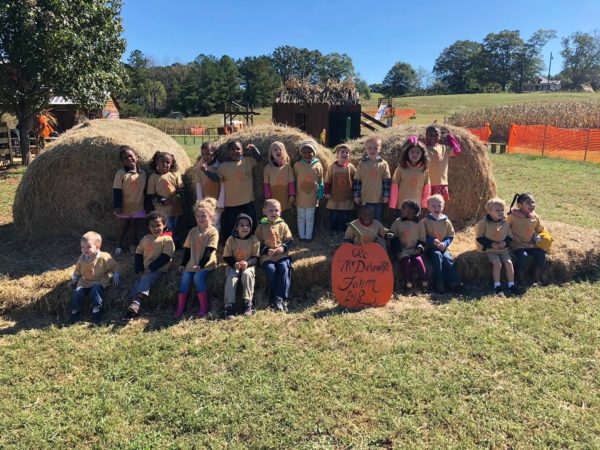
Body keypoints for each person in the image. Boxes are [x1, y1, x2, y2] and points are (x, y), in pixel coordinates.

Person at [202, 140, 261, 239]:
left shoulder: (247, 161)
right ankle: (229, 243)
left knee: (252, 221)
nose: (235, 151)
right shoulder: (224, 166)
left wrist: (254, 149)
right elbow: (216, 178)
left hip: (247, 200)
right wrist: (206, 171)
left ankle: (251, 241)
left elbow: (259, 159)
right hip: (231, 203)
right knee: (230, 225)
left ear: (242, 151)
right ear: (228, 152)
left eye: (238, 149)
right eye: (232, 149)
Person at [126, 211, 175, 318]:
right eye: (152, 226)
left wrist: (152, 268)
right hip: (145, 268)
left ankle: (137, 301)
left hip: (159, 268)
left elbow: (166, 256)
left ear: (164, 225)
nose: (155, 228)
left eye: (158, 225)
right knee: (138, 282)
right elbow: (138, 252)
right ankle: (132, 308)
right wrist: (139, 269)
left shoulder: (167, 239)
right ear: (148, 226)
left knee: (146, 278)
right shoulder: (146, 238)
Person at [175, 198, 219, 319]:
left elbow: (209, 251)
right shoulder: (192, 231)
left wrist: (201, 264)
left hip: (207, 264)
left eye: (203, 216)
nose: (200, 219)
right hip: (192, 263)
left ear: (210, 216)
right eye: (198, 216)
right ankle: (181, 307)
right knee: (185, 278)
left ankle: (204, 307)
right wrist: (183, 263)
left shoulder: (213, 232)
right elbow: (188, 250)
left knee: (197, 277)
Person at [68, 231, 120, 324]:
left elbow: (115, 266)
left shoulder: (104, 257)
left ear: (98, 246)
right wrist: (74, 280)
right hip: (84, 281)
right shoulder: (82, 258)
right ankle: (76, 311)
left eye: (88, 247)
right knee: (77, 293)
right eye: (82, 247)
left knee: (95, 291)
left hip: (99, 281)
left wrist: (116, 276)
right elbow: (77, 270)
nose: (85, 250)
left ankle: (97, 310)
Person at [255, 199, 294, 312]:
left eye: (276, 210)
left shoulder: (283, 224)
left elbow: (290, 240)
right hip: (267, 256)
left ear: (280, 212)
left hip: (281, 255)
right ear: (264, 212)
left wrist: (282, 248)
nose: (273, 213)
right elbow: (256, 243)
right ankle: (276, 297)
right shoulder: (261, 226)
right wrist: (266, 250)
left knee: (284, 268)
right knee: (271, 270)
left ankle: (282, 298)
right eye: (270, 210)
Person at [475, 198, 519, 297]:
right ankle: (497, 286)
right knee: (497, 263)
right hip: (490, 250)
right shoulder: (483, 223)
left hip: (503, 250)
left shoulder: (505, 223)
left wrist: (505, 243)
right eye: (497, 210)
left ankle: (511, 284)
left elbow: (509, 236)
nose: (500, 212)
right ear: (489, 211)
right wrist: (491, 244)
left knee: (509, 263)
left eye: (502, 210)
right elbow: (479, 238)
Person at [222, 213, 260, 319]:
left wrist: (247, 263)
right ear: (237, 227)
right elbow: (226, 256)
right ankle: (229, 306)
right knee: (232, 277)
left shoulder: (254, 240)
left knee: (247, 275)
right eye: (242, 225)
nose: (245, 227)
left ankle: (248, 303)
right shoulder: (231, 240)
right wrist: (234, 263)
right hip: (234, 265)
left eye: (248, 225)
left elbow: (256, 258)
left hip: (248, 265)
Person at [421, 194, 461, 294]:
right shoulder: (425, 221)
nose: (437, 208)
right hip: (430, 248)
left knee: (448, 259)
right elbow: (421, 235)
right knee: (437, 256)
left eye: (439, 205)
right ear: (428, 207)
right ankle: (439, 283)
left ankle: (453, 282)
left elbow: (450, 235)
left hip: (442, 247)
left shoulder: (446, 221)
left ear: (443, 206)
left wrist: (445, 243)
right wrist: (431, 241)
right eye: (434, 206)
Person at [113, 145, 147, 255]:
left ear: (137, 157)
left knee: (134, 227)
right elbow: (117, 190)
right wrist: (117, 206)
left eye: (130, 156)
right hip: (124, 206)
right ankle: (118, 244)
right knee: (122, 227)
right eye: (125, 158)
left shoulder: (143, 173)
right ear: (122, 161)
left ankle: (133, 245)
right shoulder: (121, 173)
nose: (129, 159)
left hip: (138, 206)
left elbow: (145, 190)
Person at [507, 192, 547, 285]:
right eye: (528, 203)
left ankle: (537, 277)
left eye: (533, 202)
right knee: (523, 256)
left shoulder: (535, 217)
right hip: (517, 245)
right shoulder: (513, 217)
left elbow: (539, 229)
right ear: (520, 205)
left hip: (530, 244)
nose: (532, 205)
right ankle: (520, 278)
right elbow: (505, 228)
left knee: (541, 254)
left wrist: (538, 236)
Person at [147, 151, 184, 246]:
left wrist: (176, 197)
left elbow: (181, 190)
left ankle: (176, 243)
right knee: (167, 227)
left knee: (176, 226)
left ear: (171, 164)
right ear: (156, 162)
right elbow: (151, 194)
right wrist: (163, 201)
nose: (165, 164)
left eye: (168, 162)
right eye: (162, 161)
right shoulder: (153, 178)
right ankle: (167, 244)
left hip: (175, 208)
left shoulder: (175, 175)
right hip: (162, 209)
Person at [390, 200, 427, 292]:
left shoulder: (420, 224)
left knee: (419, 261)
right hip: (402, 250)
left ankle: (424, 282)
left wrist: (419, 248)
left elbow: (422, 239)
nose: (401, 210)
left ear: (412, 211)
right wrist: (397, 250)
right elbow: (393, 235)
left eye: (403, 208)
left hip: (414, 249)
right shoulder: (398, 222)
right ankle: (408, 284)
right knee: (406, 262)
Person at [352, 137, 391, 222]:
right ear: (365, 149)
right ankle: (364, 234)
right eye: (369, 148)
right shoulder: (362, 164)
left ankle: (376, 234)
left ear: (380, 149)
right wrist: (356, 196)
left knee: (377, 218)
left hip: (378, 199)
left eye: (375, 148)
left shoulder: (383, 164)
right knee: (363, 218)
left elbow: (386, 181)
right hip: (364, 198)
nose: (372, 150)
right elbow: (357, 181)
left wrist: (385, 195)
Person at [389, 137, 430, 215]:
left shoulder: (424, 170)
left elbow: (427, 189)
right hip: (401, 206)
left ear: (422, 154)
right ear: (407, 153)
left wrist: (424, 205)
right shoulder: (400, 168)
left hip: (416, 207)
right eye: (412, 152)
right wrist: (392, 204)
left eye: (418, 152)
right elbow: (394, 187)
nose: (415, 154)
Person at [293, 139, 323, 241]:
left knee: (310, 217)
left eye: (309, 152)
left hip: (312, 197)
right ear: (301, 153)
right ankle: (301, 236)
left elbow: (320, 180)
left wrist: (320, 193)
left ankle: (308, 237)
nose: (307, 154)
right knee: (300, 216)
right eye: (304, 152)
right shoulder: (297, 165)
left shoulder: (317, 165)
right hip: (300, 196)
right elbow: (294, 180)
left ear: (313, 153)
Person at [424, 125, 461, 205]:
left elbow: (457, 151)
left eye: (436, 135)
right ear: (426, 136)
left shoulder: (445, 148)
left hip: (441, 183)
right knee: (426, 205)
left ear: (440, 136)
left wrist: (451, 138)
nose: (433, 137)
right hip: (428, 183)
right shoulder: (424, 149)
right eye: (430, 135)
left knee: (439, 204)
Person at [324, 144, 356, 234]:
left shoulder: (351, 167)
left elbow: (356, 180)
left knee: (345, 216)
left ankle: (343, 232)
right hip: (335, 197)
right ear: (337, 155)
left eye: (347, 152)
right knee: (334, 215)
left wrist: (356, 194)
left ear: (349, 156)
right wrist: (327, 192)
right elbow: (327, 181)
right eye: (342, 152)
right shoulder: (332, 167)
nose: (345, 154)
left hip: (347, 197)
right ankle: (333, 230)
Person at [195, 142, 224, 230]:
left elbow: (222, 185)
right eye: (203, 154)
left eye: (208, 154)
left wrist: (220, 203)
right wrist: (200, 202)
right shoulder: (200, 167)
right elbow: (198, 185)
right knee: (204, 222)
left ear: (215, 154)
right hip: (205, 202)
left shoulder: (220, 167)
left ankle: (214, 242)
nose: (205, 156)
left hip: (217, 202)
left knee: (215, 223)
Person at [263, 141, 295, 215]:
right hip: (274, 194)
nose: (278, 151)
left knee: (284, 213)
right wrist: (268, 197)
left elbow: (291, 182)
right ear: (271, 153)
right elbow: (266, 184)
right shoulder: (267, 168)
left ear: (284, 152)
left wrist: (292, 194)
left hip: (285, 194)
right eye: (275, 150)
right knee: (274, 211)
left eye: (280, 149)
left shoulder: (288, 167)